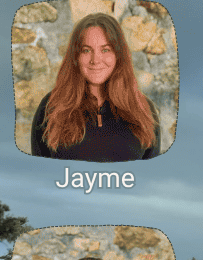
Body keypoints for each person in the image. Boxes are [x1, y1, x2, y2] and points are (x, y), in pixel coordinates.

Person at [31, 13, 160, 161]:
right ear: (75, 57)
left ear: (118, 55)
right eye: (86, 50)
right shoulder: (50, 107)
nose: (95, 60)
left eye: (105, 50)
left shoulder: (144, 110)